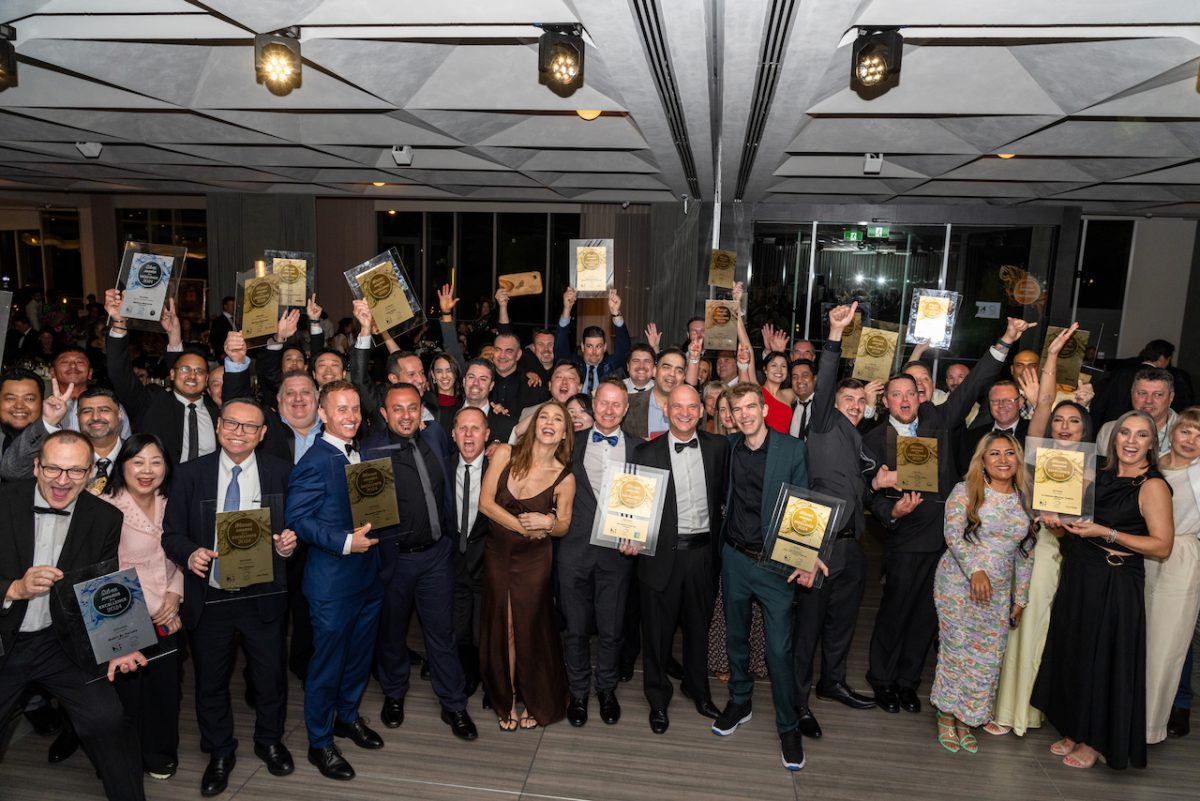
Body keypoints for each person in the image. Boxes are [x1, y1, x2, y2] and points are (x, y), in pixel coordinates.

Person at [863, 316, 1032, 715]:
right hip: (905, 536)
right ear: (886, 401)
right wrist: (892, 509)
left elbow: (974, 384)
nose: (905, 401)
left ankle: (907, 681)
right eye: (896, 395)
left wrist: (1005, 341)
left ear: (920, 398)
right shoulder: (871, 440)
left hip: (947, 541)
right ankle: (881, 679)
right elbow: (868, 495)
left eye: (911, 394)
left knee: (926, 616)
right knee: (895, 611)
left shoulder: (938, 420)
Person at [161, 397, 298, 795]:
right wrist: (190, 552)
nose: (239, 432)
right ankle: (220, 751)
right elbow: (171, 534)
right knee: (211, 681)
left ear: (262, 434)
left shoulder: (282, 473)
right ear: (219, 427)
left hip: (263, 595)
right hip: (211, 596)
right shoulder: (189, 475)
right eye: (232, 424)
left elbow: (294, 531)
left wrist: (289, 545)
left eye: (249, 427)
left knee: (271, 678)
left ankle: (270, 741)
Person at [0, 430, 146, 801]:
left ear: (91, 473)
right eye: (53, 469)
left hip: (60, 643)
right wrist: (12, 589)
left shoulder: (104, 518)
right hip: (4, 641)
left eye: (75, 472)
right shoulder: (3, 503)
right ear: (36, 466)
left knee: (107, 719)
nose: (62, 481)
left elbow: (105, 587)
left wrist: (120, 644)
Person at [1032, 410, 1174, 770]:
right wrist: (1056, 523)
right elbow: (1070, 524)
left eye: (1141, 435)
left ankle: (1094, 740)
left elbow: (1161, 546)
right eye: (1124, 433)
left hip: (1116, 579)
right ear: (1114, 438)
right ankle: (1073, 727)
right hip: (1081, 571)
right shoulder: (1096, 472)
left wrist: (1105, 533)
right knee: (1074, 651)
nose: (1130, 441)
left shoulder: (1152, 486)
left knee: (1102, 659)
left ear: (1151, 444)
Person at [989, 325, 1095, 738]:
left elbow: (1083, 523)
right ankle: (1002, 705)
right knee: (1011, 630)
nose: (1065, 426)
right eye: (1060, 421)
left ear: (1085, 430)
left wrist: (1065, 526)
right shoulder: (1037, 454)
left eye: (1074, 422)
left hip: (1056, 555)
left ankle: (1022, 712)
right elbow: (1045, 400)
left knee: (1037, 631)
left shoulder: (1088, 469)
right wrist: (1052, 355)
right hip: (1023, 549)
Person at [361, 383, 477, 741]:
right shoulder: (369, 450)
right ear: (384, 414)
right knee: (392, 632)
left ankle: (454, 703)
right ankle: (395, 693)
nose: (406, 415)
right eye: (398, 409)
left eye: (412, 408)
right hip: (394, 559)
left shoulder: (437, 436)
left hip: (436, 555)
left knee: (441, 632)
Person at [285, 380, 383, 781]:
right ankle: (320, 742)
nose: (351, 417)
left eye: (355, 409)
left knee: (359, 659)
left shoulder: (356, 452)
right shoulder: (314, 461)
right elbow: (298, 520)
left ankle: (346, 717)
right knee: (326, 666)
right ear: (322, 414)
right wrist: (344, 542)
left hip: (366, 579)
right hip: (332, 585)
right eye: (341, 409)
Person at [710, 382, 810, 771]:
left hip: (775, 565)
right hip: (734, 557)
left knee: (779, 650)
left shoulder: (792, 449)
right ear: (732, 416)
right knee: (735, 638)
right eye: (739, 410)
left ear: (765, 410)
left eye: (752, 407)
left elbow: (803, 505)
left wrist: (804, 557)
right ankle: (740, 700)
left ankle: (788, 725)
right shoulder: (730, 448)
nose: (746, 414)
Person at [792, 303, 881, 733]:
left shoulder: (859, 441)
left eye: (862, 401)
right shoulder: (824, 423)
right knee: (808, 627)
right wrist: (834, 335)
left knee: (843, 622)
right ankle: (798, 701)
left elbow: (866, 483)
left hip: (852, 546)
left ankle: (834, 683)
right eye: (849, 398)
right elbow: (826, 383)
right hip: (819, 543)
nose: (856, 405)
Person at [632, 384, 729, 734]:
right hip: (659, 556)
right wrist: (629, 535)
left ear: (702, 410)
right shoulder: (645, 452)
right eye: (678, 407)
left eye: (692, 407)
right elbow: (633, 507)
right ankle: (658, 700)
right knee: (656, 635)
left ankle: (698, 689)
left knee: (697, 629)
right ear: (667, 410)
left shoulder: (720, 448)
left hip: (703, 555)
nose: (685, 413)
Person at [930, 433, 1036, 754]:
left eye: (1009, 454)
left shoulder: (1025, 499)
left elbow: (1026, 552)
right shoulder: (966, 491)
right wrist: (975, 568)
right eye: (994, 454)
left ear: (1018, 460)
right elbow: (952, 535)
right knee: (957, 649)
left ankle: (969, 717)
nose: (1003, 460)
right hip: (958, 583)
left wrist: (1020, 597)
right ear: (983, 461)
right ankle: (946, 715)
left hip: (1000, 589)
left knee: (988, 657)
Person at [477, 401, 575, 730]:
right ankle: (509, 697)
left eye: (557, 419)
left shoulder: (564, 477)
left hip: (535, 560)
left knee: (529, 627)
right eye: (543, 417)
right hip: (499, 552)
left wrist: (546, 521)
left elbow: (563, 526)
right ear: (532, 425)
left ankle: (535, 696)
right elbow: (485, 503)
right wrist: (523, 527)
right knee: (503, 625)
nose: (548, 422)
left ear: (564, 434)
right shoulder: (505, 453)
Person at [559, 380, 641, 727]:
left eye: (616, 405)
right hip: (573, 553)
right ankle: (577, 692)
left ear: (625, 409)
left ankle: (606, 689)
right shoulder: (568, 445)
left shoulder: (641, 450)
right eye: (603, 403)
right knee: (574, 629)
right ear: (593, 404)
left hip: (617, 556)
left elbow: (648, 505)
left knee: (611, 629)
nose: (609, 410)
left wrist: (640, 536)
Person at [101, 433, 182, 780]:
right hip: (123, 613)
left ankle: (160, 753)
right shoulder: (104, 505)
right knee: (126, 694)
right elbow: (104, 570)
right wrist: (152, 607)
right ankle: (123, 759)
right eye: (138, 461)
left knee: (165, 689)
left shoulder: (175, 501)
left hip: (168, 609)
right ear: (123, 465)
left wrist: (175, 596)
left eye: (156, 461)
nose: (147, 470)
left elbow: (181, 553)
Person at [106, 290, 218, 463]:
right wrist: (119, 322)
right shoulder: (151, 402)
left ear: (207, 378)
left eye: (199, 371)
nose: (192, 376)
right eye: (185, 370)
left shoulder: (218, 409)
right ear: (172, 374)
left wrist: (174, 336)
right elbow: (119, 372)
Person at [1145, 406, 1200, 744]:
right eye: (1187, 431)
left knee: (1166, 647)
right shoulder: (1154, 464)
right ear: (1174, 431)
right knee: (1141, 640)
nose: (1191, 439)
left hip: (1181, 558)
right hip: (1144, 555)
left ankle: (1150, 725)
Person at [450, 407, 490, 701]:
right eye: (462, 428)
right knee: (460, 626)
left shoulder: (500, 469)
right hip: (453, 563)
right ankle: (466, 674)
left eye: (475, 428)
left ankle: (491, 679)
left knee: (486, 628)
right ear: (453, 434)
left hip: (488, 562)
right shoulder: (441, 464)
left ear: (487, 435)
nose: (468, 434)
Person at [554, 287, 631, 395]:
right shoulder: (574, 365)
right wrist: (567, 309)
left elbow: (624, 348)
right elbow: (559, 347)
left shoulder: (612, 366)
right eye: (590, 346)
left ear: (605, 347)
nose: (594, 352)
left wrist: (616, 313)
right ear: (582, 346)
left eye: (598, 346)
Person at [1096, 368, 1177, 456]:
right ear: (1132, 394)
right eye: (1142, 393)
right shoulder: (1108, 431)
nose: (1148, 401)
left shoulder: (1187, 434)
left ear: (1171, 397)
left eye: (1158, 394)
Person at [958, 381, 1030, 477]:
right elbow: (966, 472)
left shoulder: (1033, 433)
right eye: (995, 401)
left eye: (1008, 400)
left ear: (1020, 402)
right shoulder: (973, 436)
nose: (1001, 405)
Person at [624, 348, 686, 440]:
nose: (672, 374)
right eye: (666, 367)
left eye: (679, 370)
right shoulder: (628, 404)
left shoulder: (692, 411)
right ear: (654, 371)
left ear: (684, 377)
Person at [430, 352, 463, 430]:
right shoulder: (426, 405)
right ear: (433, 375)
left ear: (456, 373)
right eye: (439, 371)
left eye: (449, 370)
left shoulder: (465, 405)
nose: (444, 376)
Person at [787, 360, 818, 439]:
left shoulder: (823, 406)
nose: (799, 380)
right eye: (795, 377)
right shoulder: (789, 406)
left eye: (805, 375)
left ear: (815, 378)